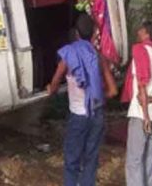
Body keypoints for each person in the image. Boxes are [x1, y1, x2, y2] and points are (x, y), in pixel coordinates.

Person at [46, 13, 117, 186]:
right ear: (93, 34)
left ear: (76, 33)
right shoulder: (100, 57)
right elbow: (113, 91)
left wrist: (51, 89)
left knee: (72, 160)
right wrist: (97, 97)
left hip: (78, 116)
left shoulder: (68, 54)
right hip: (97, 114)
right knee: (91, 159)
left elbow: (54, 86)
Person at [122, 21, 152, 186]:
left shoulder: (140, 52)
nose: (138, 32)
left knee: (134, 161)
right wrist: (149, 101)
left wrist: (145, 114)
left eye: (141, 30)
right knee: (150, 160)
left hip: (141, 115)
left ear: (147, 34)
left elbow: (141, 83)